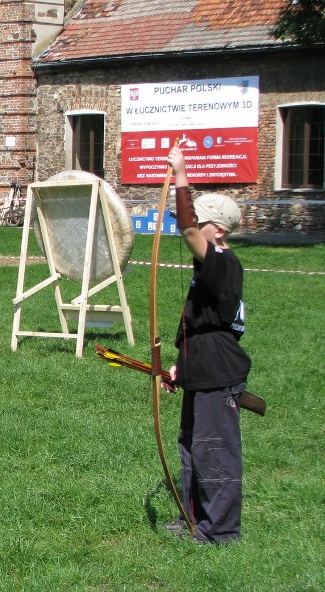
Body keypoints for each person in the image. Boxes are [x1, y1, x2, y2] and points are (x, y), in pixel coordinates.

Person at [165, 146, 250, 543]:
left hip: (218, 369)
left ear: (216, 228)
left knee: (214, 450)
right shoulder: (211, 264)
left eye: (201, 222)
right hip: (201, 365)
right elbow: (201, 320)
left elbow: (184, 230)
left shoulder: (222, 261)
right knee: (192, 448)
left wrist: (180, 174)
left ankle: (221, 531)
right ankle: (193, 519)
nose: (195, 227)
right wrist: (183, 363)